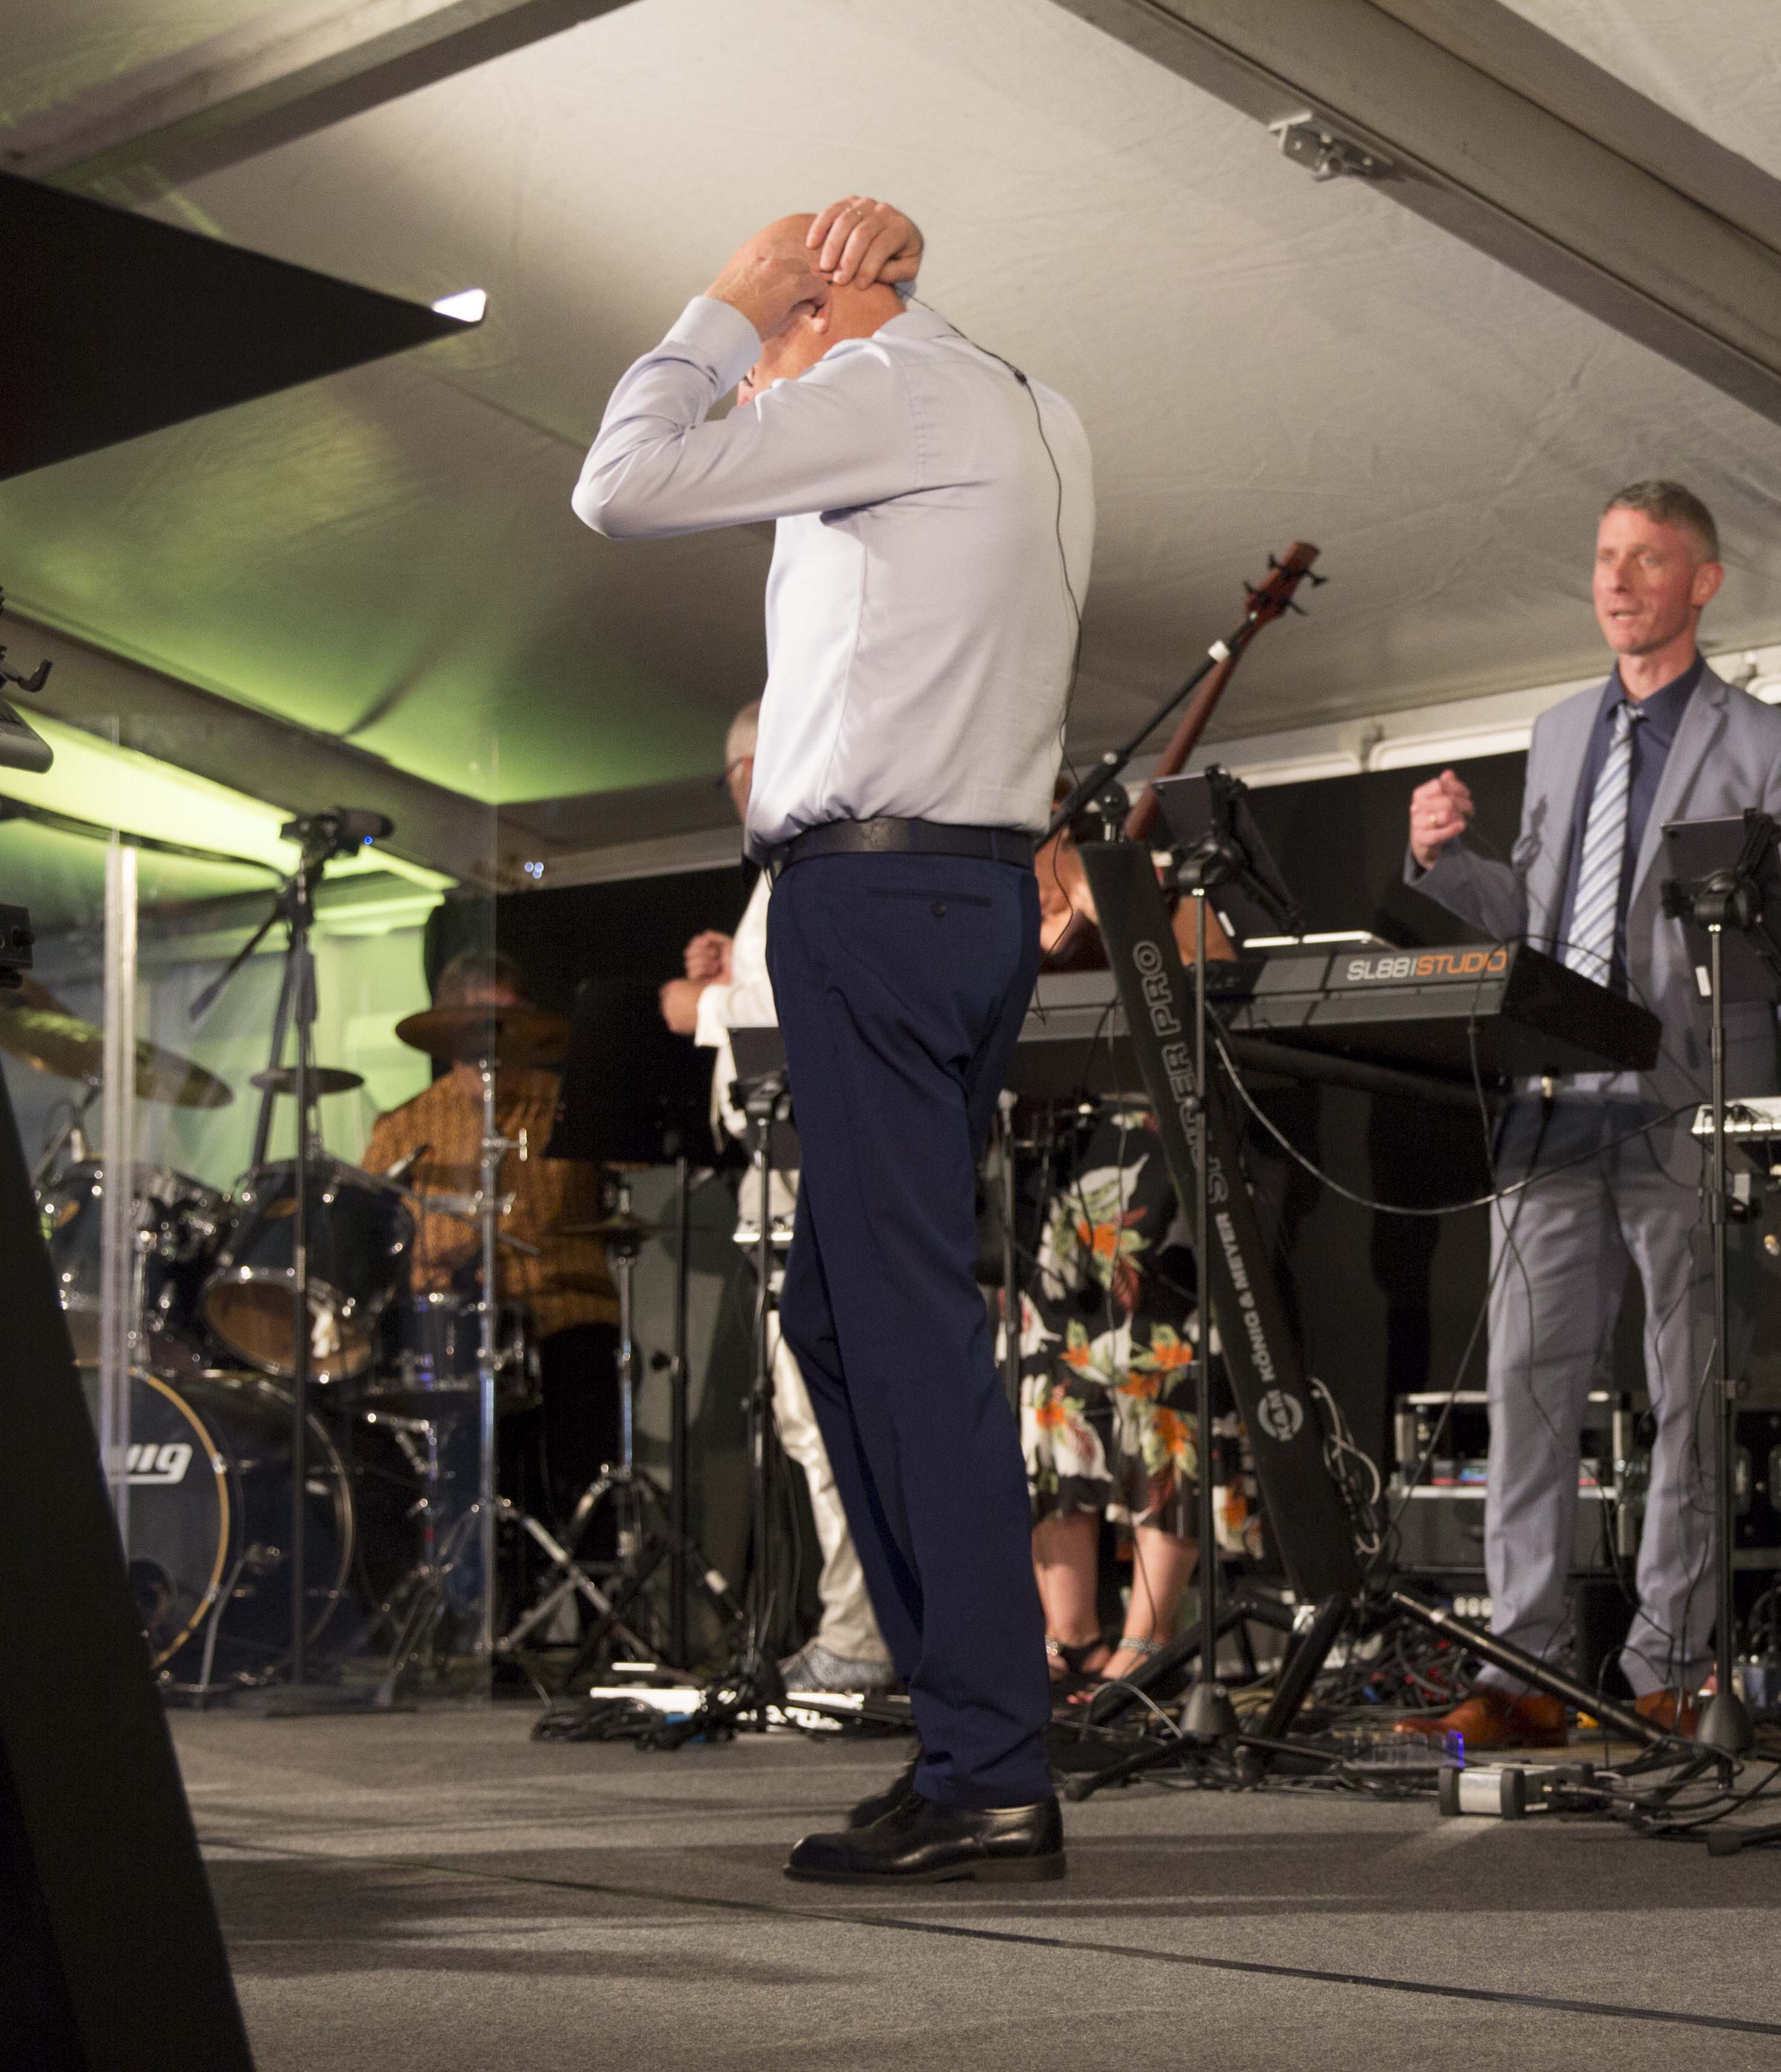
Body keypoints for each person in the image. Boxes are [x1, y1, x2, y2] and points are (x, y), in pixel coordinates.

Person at [575, 194, 1091, 1883]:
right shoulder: (1031, 406)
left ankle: (991, 1763)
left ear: (839, 301)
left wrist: (725, 299)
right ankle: (962, 1733)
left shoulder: (888, 386)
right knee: (840, 1312)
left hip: (881, 894)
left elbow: (619, 481)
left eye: (784, 326)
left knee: (900, 1322)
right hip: (957, 893)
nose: (759, 370)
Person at [1395, 480, 1781, 1751]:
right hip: (1552, 1109)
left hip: (1686, 1106)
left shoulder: (1770, 745)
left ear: (1702, 583)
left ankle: (1668, 1669)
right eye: (1605, 556)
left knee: (1690, 1395)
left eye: (1646, 559)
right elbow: (1534, 919)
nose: (1616, 579)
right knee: (1527, 1395)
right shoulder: (1558, 732)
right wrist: (1443, 863)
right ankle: (1523, 1669)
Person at [663, 702, 896, 1697]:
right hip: (787, 1185)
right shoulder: (790, 871)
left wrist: (704, 1007)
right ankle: (859, 1624)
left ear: (751, 769)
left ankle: (863, 1632)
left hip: (811, 1189)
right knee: (810, 1421)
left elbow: (808, 1014)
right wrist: (734, 970)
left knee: (825, 1414)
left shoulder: (812, 862)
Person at [1012, 829, 1259, 1700]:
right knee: (1053, 1398)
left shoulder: (1160, 888)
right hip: (1060, 1173)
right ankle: (1069, 1637)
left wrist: (1114, 910)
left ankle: (1149, 1639)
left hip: (1163, 1169)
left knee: (1164, 1395)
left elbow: (1219, 997)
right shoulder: (1010, 909)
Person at [361, 952, 618, 1617]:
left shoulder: (570, 1106)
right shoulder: (403, 1128)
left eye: (508, 1020)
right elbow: (374, 1246)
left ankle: (598, 1623)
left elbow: (645, 1155)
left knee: (583, 1466)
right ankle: (475, 1615)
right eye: (478, 1023)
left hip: (565, 1318)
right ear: (447, 1029)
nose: (493, 1039)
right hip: (456, 1336)